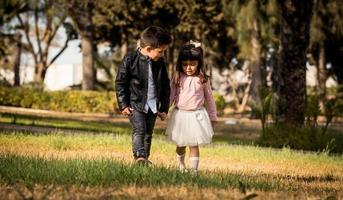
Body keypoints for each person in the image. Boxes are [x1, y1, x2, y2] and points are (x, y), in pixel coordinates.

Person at [115, 26, 172, 165]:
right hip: (136, 104)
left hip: (152, 105)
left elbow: (165, 85)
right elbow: (120, 82)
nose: (162, 54)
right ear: (148, 49)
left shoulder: (160, 63)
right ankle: (139, 156)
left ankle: (144, 159)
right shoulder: (130, 59)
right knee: (139, 130)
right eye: (160, 51)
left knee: (148, 133)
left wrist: (164, 108)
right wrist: (123, 105)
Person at [166, 40, 217, 172]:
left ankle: (194, 171)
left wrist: (213, 116)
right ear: (180, 64)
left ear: (199, 63)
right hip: (180, 116)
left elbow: (210, 99)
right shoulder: (178, 78)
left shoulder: (202, 79)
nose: (188, 67)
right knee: (181, 144)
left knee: (194, 144)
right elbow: (171, 96)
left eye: (192, 64)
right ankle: (181, 166)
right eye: (185, 64)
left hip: (197, 115)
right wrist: (164, 110)